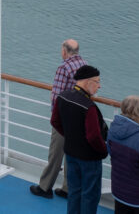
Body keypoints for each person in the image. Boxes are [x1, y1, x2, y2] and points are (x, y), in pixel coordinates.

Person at [31, 38, 87, 199]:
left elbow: (57, 97)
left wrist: (55, 117)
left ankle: (45, 187)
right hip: (80, 117)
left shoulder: (64, 67)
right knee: (72, 153)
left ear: (64, 51)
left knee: (56, 153)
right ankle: (68, 188)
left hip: (64, 118)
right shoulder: (84, 64)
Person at [51, 64, 108, 214]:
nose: (99, 86)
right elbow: (94, 136)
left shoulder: (62, 96)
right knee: (90, 195)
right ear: (88, 82)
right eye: (97, 82)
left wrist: (70, 136)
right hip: (89, 159)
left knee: (74, 191)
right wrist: (103, 152)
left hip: (71, 153)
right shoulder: (89, 107)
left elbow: (55, 122)